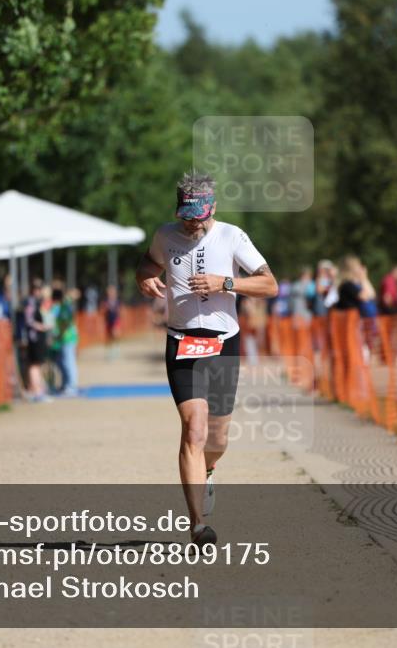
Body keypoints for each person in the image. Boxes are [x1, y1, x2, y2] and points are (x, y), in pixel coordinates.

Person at [136, 171, 277, 547]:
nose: (190, 223)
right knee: (194, 429)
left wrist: (225, 283)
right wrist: (144, 277)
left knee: (217, 437)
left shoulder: (231, 236)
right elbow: (148, 263)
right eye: (185, 216)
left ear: (211, 208)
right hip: (181, 341)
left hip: (223, 343)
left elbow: (270, 284)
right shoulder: (165, 235)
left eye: (196, 217)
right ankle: (197, 524)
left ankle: (209, 468)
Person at [22, 279, 51, 402]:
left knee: (37, 365)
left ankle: (37, 389)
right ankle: (36, 391)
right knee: (34, 365)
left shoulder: (37, 302)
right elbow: (29, 320)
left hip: (37, 338)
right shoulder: (31, 302)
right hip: (34, 338)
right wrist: (42, 327)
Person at [50, 286, 80, 396]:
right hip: (64, 339)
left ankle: (72, 386)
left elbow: (65, 323)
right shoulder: (63, 306)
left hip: (68, 338)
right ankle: (65, 384)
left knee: (68, 362)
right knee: (62, 362)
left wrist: (57, 335)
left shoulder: (62, 307)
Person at [103, 284, 122, 359]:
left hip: (115, 320)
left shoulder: (117, 301)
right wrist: (106, 309)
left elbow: (120, 311)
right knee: (109, 337)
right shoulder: (106, 301)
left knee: (115, 334)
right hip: (108, 321)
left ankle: (116, 348)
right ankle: (110, 352)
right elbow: (103, 311)